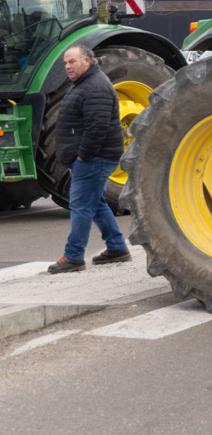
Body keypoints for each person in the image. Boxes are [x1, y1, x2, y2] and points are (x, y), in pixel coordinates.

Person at [47, 44, 131, 274]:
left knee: (81, 205)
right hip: (91, 157)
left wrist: (83, 156)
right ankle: (116, 247)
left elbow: (97, 128)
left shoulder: (95, 87)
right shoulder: (85, 84)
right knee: (95, 202)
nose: (67, 66)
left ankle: (74, 256)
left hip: (94, 158)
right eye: (66, 62)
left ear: (87, 61)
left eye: (72, 61)